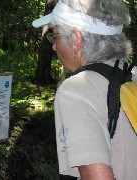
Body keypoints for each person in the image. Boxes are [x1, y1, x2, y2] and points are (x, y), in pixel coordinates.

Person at [32, 0, 137, 179]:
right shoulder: (131, 76)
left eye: (55, 36)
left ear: (77, 40)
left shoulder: (75, 92)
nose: (54, 46)